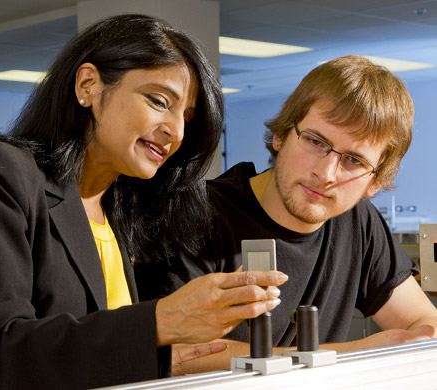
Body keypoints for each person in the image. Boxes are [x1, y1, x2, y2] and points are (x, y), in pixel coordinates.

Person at [0, 14, 288, 389]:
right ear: (88, 84)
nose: (176, 131)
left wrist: (165, 356)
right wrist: (159, 320)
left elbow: (93, 350)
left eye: (187, 116)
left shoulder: (121, 210)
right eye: (158, 100)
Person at [135, 55, 437, 373]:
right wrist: (349, 353)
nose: (327, 173)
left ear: (374, 181)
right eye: (316, 141)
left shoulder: (359, 221)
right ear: (281, 135)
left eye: (354, 160)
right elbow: (178, 356)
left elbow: (423, 324)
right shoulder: (195, 212)